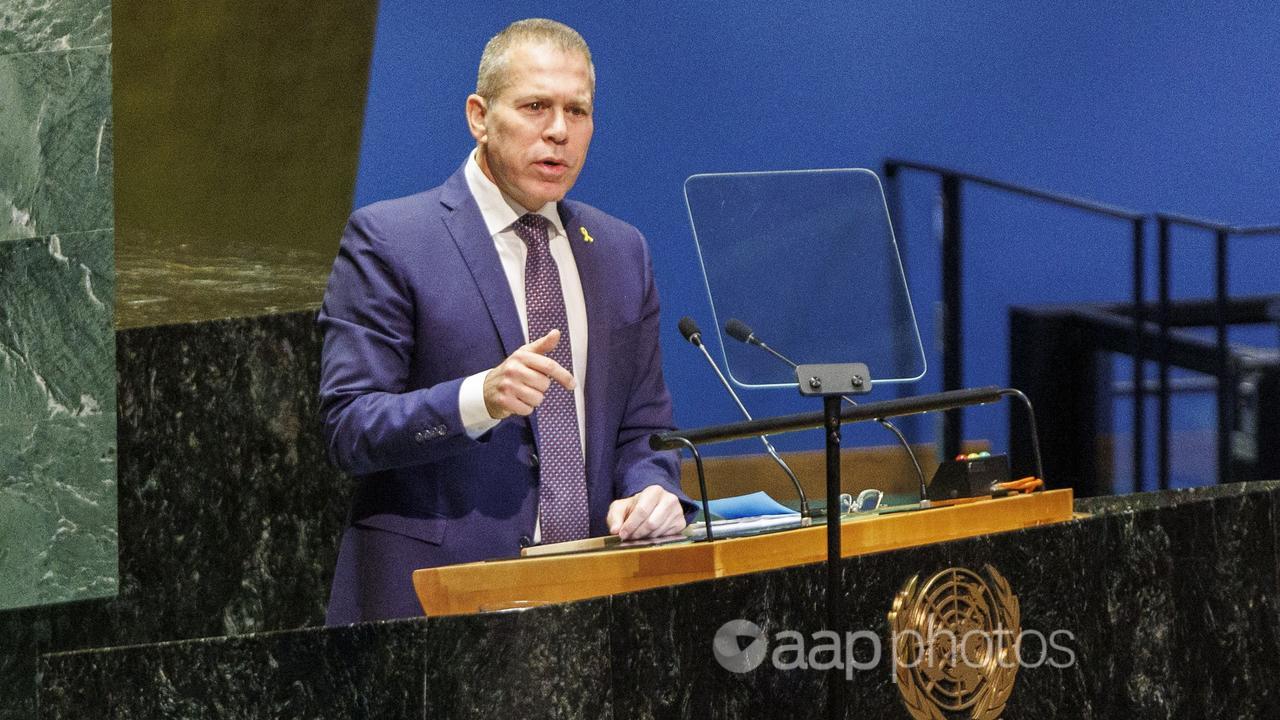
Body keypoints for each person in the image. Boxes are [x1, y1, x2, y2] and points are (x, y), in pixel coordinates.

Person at [317, 18, 693, 624]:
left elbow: (643, 429)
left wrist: (655, 491)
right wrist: (478, 398)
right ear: (479, 116)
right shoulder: (392, 240)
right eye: (535, 106)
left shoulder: (621, 252)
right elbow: (348, 427)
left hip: (593, 597)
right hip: (434, 609)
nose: (558, 132)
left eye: (578, 111)